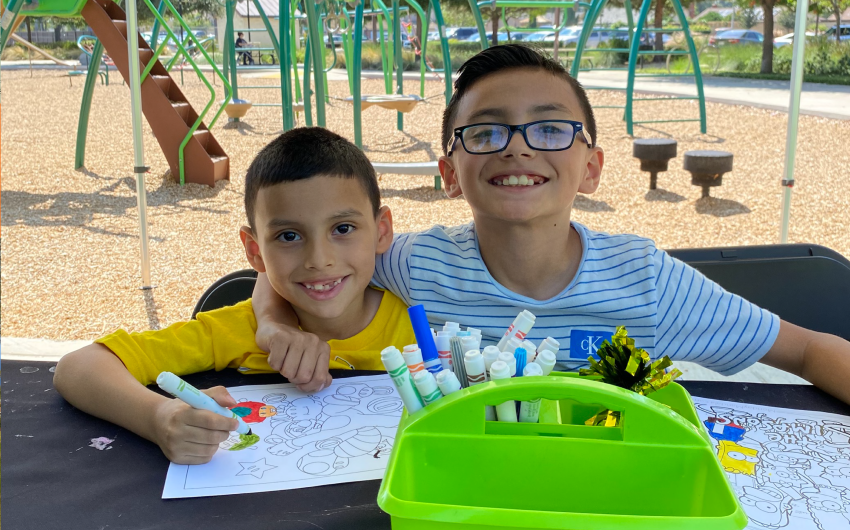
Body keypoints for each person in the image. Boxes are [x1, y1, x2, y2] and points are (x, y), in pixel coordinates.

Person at [251, 44, 850, 405]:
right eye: (485, 131)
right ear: (449, 173)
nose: (518, 148)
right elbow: (297, 269)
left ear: (590, 169)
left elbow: (809, 351)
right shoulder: (415, 263)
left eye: (549, 128)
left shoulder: (648, 282)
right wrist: (275, 329)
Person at [53, 128, 416, 464]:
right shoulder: (237, 330)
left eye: (342, 228)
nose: (319, 260)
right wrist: (159, 417)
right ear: (255, 251)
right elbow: (78, 367)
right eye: (289, 236)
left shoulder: (422, 325)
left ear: (381, 231)